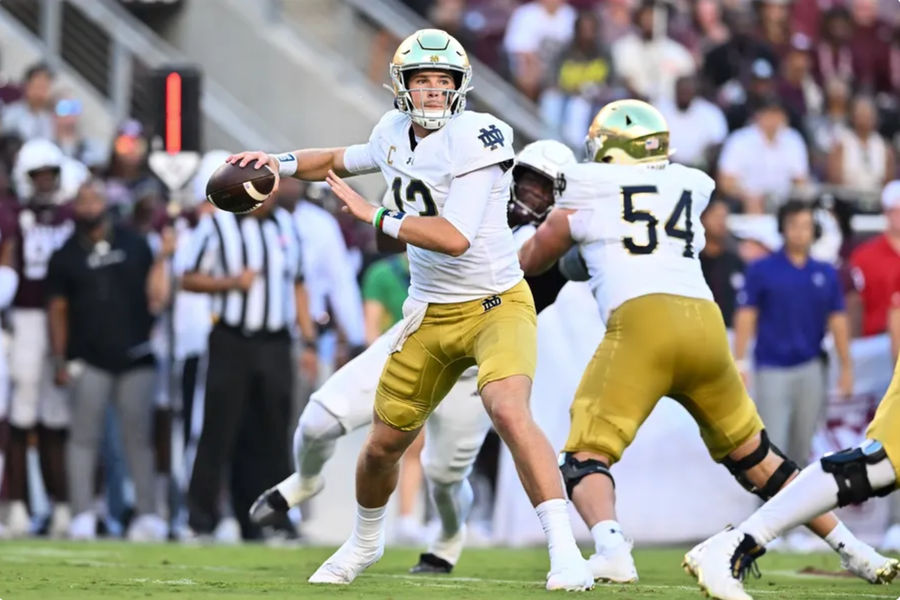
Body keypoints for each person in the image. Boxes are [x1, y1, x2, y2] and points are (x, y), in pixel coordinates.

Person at [234, 29, 591, 588]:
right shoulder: (392, 132)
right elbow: (333, 158)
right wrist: (276, 161)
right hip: (428, 313)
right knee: (381, 446)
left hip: (495, 303)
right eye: (421, 80)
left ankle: (565, 550)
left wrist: (374, 216)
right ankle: (365, 543)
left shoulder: (481, 135)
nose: (431, 91)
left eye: (442, 81)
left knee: (508, 410)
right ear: (401, 86)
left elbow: (455, 238)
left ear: (460, 86)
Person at [517, 99, 893, 584]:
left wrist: (537, 238)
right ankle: (855, 549)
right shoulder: (686, 185)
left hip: (642, 325)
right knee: (759, 459)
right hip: (704, 321)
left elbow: (533, 260)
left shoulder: (589, 190)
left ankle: (611, 549)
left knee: (585, 457)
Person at [686, 365, 900, 600]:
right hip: (671, 344)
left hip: (703, 344)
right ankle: (735, 543)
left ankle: (853, 550)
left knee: (758, 459)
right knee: (879, 464)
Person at [180, 188, 318, 540]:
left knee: (273, 434)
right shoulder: (218, 226)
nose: (268, 198)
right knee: (219, 430)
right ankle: (200, 520)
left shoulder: (286, 224)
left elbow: (298, 285)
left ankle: (273, 522)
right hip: (231, 339)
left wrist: (309, 341)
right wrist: (230, 283)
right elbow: (188, 277)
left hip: (275, 341)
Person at [46, 179, 172, 541]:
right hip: (89, 358)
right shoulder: (65, 254)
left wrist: (164, 256)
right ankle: (82, 512)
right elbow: (57, 308)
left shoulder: (135, 244)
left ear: (107, 203)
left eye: (94, 200)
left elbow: (156, 294)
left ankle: (148, 513)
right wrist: (59, 358)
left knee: (138, 438)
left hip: (136, 355)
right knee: (84, 438)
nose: (89, 208)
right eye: (82, 201)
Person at [733, 200, 852, 467]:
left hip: (811, 368)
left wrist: (846, 367)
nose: (800, 232)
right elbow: (746, 316)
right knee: (771, 449)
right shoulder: (762, 269)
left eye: (806, 226)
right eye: (794, 225)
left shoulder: (824, 272)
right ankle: (770, 507)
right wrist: (740, 361)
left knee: (803, 446)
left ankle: (798, 508)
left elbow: (838, 320)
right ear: (783, 229)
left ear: (814, 230)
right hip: (772, 367)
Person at [0, 63, 54, 142]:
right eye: (38, 87)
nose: (41, 93)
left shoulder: (49, 120)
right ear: (27, 87)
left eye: (45, 88)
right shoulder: (11, 113)